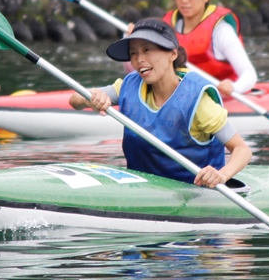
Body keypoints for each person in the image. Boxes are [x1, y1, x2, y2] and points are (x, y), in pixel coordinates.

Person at [69, 18, 252, 189]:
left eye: (147, 50)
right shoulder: (128, 85)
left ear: (172, 54)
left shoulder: (198, 100)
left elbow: (242, 149)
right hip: (144, 189)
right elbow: (75, 100)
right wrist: (92, 97)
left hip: (195, 193)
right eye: (133, 53)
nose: (139, 59)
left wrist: (221, 175)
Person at [163, 0, 257, 96]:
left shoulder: (221, 31)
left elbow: (249, 73)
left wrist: (234, 87)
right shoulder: (168, 27)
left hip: (223, 97)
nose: (184, 0)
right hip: (183, 95)